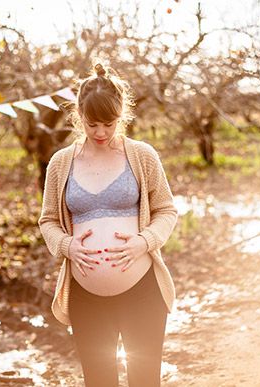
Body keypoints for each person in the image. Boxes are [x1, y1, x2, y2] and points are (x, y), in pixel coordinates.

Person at [38, 61, 178, 386]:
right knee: (99, 381)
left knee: (145, 381)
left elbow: (167, 211)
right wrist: (67, 245)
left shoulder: (142, 156)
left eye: (109, 123)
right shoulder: (61, 164)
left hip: (143, 290)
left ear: (122, 116)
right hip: (86, 295)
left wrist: (144, 241)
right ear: (79, 116)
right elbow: (47, 220)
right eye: (92, 124)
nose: (101, 132)